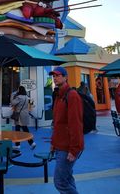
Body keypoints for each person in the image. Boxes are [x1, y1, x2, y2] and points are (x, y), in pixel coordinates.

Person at [49, 66, 84, 194]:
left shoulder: (72, 95)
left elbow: (76, 124)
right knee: (67, 178)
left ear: (65, 77)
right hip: (60, 145)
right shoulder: (59, 96)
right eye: (53, 76)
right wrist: (53, 143)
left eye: (58, 75)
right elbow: (58, 124)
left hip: (68, 147)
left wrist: (74, 149)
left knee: (60, 181)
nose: (55, 78)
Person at [10, 85, 36, 150]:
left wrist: (12, 95)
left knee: (18, 130)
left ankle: (18, 145)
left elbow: (12, 103)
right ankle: (31, 143)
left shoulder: (19, 97)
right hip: (25, 115)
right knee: (25, 129)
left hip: (19, 116)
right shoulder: (27, 97)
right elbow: (32, 105)